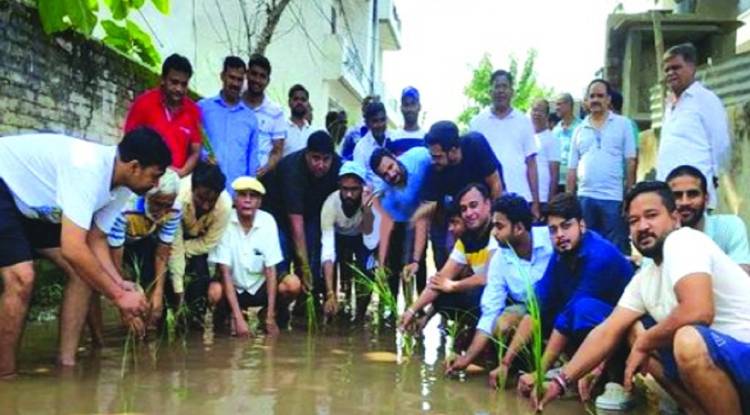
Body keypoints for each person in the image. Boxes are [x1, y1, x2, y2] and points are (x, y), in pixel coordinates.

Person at [534, 181, 750, 414]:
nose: (642, 226)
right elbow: (607, 331)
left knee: (683, 338)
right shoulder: (645, 278)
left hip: (742, 352)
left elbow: (699, 311)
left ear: (675, 218)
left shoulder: (684, 241)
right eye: (633, 221)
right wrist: (560, 382)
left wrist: (645, 344)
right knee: (634, 331)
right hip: (723, 370)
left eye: (651, 215)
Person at [0, 128, 171, 377]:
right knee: (22, 278)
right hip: (5, 186)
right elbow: (73, 248)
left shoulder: (123, 184)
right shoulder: (87, 169)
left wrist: (119, 283)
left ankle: (66, 365)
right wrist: (119, 297)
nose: (156, 185)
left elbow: (96, 239)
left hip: (34, 206)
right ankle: (6, 377)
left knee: (83, 274)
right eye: (154, 176)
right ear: (134, 167)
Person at [497, 193, 633, 391]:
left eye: (566, 226)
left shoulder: (599, 257)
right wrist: (505, 363)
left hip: (620, 337)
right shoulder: (561, 253)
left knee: (581, 310)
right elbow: (536, 308)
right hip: (589, 328)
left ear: (582, 225)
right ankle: (571, 371)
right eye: (553, 230)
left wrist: (539, 373)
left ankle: (600, 376)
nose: (559, 234)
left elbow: (568, 319)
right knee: (545, 309)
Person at [445, 193, 554, 374]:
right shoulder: (500, 258)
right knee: (502, 324)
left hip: (559, 307)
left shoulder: (552, 242)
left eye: (499, 227)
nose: (493, 233)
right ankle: (519, 368)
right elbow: (490, 311)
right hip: (526, 309)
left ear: (519, 228)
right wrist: (467, 359)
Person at [210, 177, 302, 336]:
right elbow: (225, 271)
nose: (247, 200)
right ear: (235, 199)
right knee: (214, 292)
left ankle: (271, 312)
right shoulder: (225, 220)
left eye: (253, 196)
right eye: (242, 195)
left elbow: (271, 270)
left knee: (292, 284)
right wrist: (239, 318)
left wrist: (269, 317)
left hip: (260, 286)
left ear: (259, 201)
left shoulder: (267, 221)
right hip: (233, 285)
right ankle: (227, 316)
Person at [399, 183, 497, 331]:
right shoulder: (464, 241)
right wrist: (411, 311)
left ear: (488, 204)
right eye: (464, 209)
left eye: (473, 205)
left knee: (469, 293)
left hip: (505, 298)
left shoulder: (497, 231)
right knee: (441, 293)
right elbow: (441, 279)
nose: (469, 213)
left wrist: (452, 286)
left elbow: (488, 277)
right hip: (484, 296)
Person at [262, 131, 341, 299]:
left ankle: (306, 301)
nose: (321, 165)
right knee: (282, 259)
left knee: (314, 256)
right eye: (316, 158)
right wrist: (304, 269)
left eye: (326, 159)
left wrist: (308, 269)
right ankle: (278, 306)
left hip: (312, 213)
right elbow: (296, 226)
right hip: (278, 214)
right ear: (307, 155)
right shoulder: (292, 169)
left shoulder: (338, 167)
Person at [418, 121, 503, 269]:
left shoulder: (475, 144)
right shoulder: (434, 170)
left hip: (488, 209)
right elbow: (428, 211)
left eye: (437, 156)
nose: (433, 161)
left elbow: (496, 184)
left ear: (453, 150)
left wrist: (494, 222)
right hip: (457, 217)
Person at [657, 43, 731, 209]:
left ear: (692, 67)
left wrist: (711, 181)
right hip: (670, 194)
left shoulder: (706, 100)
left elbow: (721, 146)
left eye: (676, 67)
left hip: (694, 195)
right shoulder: (670, 105)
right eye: (667, 70)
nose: (670, 73)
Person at [567, 79, 636, 254]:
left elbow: (631, 161)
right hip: (585, 197)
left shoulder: (623, 124)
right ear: (586, 101)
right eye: (592, 96)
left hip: (613, 198)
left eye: (600, 96)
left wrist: (630, 194)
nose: (596, 100)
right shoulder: (579, 129)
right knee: (585, 248)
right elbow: (572, 168)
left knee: (616, 249)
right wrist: (569, 200)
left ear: (609, 99)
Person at [107, 169, 181, 328]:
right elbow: (115, 255)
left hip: (142, 240)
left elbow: (162, 251)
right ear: (147, 196)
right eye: (157, 204)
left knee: (153, 288)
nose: (162, 212)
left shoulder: (174, 210)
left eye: (167, 206)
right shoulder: (125, 207)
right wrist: (124, 306)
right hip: (112, 244)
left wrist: (158, 293)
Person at [469, 69, 540, 218]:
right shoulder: (477, 123)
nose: (501, 91)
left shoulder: (524, 122)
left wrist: (535, 202)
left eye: (505, 86)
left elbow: (531, 163)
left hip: (520, 196)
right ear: (490, 91)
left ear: (512, 91)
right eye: (497, 86)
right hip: (487, 199)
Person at [168, 162, 232, 316]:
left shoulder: (225, 205)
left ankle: (196, 323)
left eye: (211, 201)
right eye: (201, 198)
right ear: (192, 188)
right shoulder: (178, 197)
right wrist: (179, 291)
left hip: (199, 243)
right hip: (172, 237)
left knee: (199, 287)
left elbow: (209, 242)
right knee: (171, 285)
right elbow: (175, 246)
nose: (205, 205)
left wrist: (185, 248)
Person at [125, 54, 202, 177]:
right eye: (174, 82)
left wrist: (181, 174)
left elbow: (195, 152)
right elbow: (129, 143)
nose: (179, 89)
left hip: (177, 183)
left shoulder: (193, 110)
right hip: (142, 179)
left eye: (184, 84)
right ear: (163, 79)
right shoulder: (143, 104)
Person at [370, 147, 432, 298]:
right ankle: (395, 305)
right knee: (399, 263)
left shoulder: (421, 158)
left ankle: (421, 303)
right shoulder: (388, 195)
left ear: (394, 157)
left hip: (430, 207)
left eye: (391, 167)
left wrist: (416, 258)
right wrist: (381, 264)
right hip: (404, 220)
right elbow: (386, 230)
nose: (391, 174)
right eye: (384, 175)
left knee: (420, 261)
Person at [665, 165, 750, 273]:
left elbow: (741, 278)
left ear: (706, 199)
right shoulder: (661, 235)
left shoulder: (730, 226)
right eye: (677, 196)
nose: (684, 202)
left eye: (692, 194)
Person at [320, 162, 375, 320]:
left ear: (362, 188)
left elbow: (371, 238)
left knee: (368, 270)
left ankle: (359, 315)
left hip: (362, 237)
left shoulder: (371, 202)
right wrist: (331, 292)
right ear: (339, 187)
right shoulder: (330, 205)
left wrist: (366, 210)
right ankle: (331, 305)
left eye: (354, 189)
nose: (349, 195)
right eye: (345, 189)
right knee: (324, 269)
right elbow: (328, 251)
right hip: (338, 236)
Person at [199, 56, 259, 196]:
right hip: (205, 191)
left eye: (239, 80)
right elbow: (194, 143)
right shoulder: (203, 108)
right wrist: (204, 156)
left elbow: (252, 160)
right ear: (222, 76)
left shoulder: (250, 119)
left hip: (236, 194)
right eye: (232, 77)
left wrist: (248, 192)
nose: (235, 84)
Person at [242, 54, 287, 178]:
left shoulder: (276, 112)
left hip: (260, 179)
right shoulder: (235, 104)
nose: (257, 80)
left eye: (262, 76)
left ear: (268, 81)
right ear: (247, 74)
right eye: (254, 74)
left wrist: (265, 168)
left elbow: (278, 151)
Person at [530, 99, 561, 209]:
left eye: (541, 111)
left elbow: (554, 173)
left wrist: (550, 201)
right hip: (526, 195)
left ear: (547, 115)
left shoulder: (553, 139)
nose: (537, 114)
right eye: (534, 110)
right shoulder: (525, 137)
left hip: (543, 197)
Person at [552, 93, 580, 193]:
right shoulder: (555, 130)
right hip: (557, 181)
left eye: (559, 104)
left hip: (575, 182)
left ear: (569, 105)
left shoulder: (581, 128)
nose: (556, 108)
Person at [389, 86, 426, 156]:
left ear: (419, 107)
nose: (409, 109)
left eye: (413, 104)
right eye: (406, 105)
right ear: (401, 108)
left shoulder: (427, 138)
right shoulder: (392, 138)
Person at [341, 95, 379, 161]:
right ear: (363, 110)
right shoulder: (353, 132)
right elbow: (343, 155)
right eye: (368, 107)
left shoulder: (383, 135)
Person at [285, 84, 313, 157]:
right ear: (289, 102)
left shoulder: (312, 132)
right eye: (296, 99)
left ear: (307, 103)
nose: (299, 102)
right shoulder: (281, 128)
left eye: (303, 100)